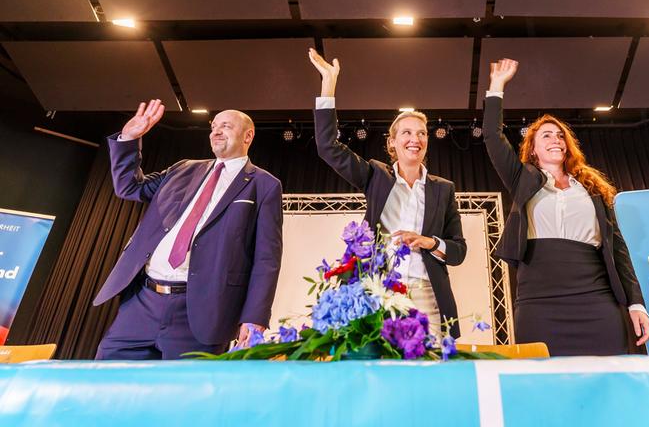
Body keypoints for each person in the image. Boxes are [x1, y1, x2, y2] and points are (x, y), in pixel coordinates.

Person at [482, 59, 649, 356]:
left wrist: (636, 303)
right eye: (546, 135)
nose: (555, 139)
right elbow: (492, 138)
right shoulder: (523, 180)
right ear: (532, 148)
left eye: (560, 135)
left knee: (610, 376)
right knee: (546, 381)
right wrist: (497, 86)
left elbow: (618, 251)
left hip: (596, 296)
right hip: (539, 298)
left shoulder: (592, 189)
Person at [93, 100, 283, 359]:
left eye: (225, 126)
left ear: (248, 135)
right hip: (142, 302)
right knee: (108, 382)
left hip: (202, 311)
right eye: (214, 126)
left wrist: (254, 316)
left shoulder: (264, 185)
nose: (216, 131)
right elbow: (130, 187)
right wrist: (128, 139)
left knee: (184, 395)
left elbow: (266, 259)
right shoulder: (183, 169)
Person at [309, 48, 466, 339]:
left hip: (426, 295)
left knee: (429, 374)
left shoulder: (443, 189)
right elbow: (328, 146)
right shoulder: (375, 176)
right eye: (406, 133)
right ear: (392, 142)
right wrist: (328, 84)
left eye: (421, 133)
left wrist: (429, 242)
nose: (414, 139)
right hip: (377, 291)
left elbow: (458, 251)